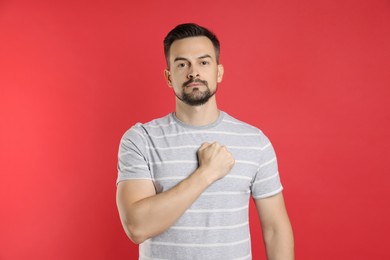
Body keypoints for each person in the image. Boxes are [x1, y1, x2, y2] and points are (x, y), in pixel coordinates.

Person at [116, 23, 294, 260]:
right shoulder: (141, 139)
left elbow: (275, 229)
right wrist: (206, 174)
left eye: (203, 62)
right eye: (182, 64)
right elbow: (137, 227)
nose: (193, 72)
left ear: (218, 72)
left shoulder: (255, 141)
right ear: (169, 77)